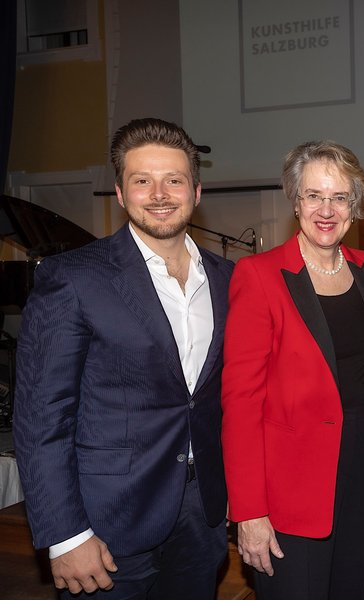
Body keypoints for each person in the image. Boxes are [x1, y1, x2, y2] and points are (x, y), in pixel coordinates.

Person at [13, 118, 232, 598]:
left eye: (173, 179)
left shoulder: (228, 278)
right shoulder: (73, 278)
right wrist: (64, 534)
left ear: (196, 191)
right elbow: (40, 417)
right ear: (119, 192)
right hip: (105, 520)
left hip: (202, 513)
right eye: (142, 180)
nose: (159, 193)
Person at [221, 141, 364, 599]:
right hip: (291, 491)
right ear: (295, 202)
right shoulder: (259, 276)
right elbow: (240, 404)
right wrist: (249, 512)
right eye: (314, 195)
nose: (327, 210)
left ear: (354, 205)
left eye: (339, 197)